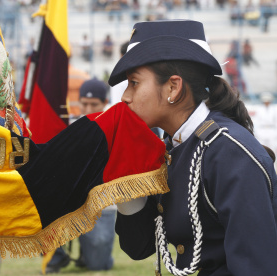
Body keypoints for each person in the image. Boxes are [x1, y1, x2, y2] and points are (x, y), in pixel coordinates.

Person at [108, 20, 277, 275]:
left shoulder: (229, 154)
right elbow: (138, 246)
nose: (125, 97)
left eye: (134, 83)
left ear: (173, 87)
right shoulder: (172, 146)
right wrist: (125, 171)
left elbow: (255, 267)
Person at [45, 78, 115, 274]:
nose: (88, 108)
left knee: (98, 264)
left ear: (105, 103)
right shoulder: (69, 128)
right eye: (84, 103)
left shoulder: (116, 128)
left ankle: (92, 252)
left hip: (100, 203)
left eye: (94, 104)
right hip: (68, 199)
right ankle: (57, 257)